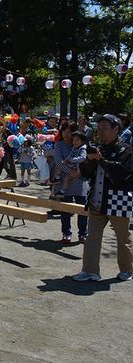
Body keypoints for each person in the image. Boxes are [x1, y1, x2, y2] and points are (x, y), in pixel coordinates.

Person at [72, 114, 133, 282]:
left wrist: (101, 160)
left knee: (123, 238)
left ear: (116, 129)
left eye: (105, 127)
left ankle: (127, 269)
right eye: (99, 128)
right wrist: (89, 161)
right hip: (96, 200)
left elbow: (122, 174)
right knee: (92, 237)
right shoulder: (98, 148)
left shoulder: (125, 149)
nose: (100, 131)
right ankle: (90, 270)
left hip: (117, 200)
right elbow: (86, 173)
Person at [52, 123, 88, 244]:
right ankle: (66, 232)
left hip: (80, 181)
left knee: (82, 209)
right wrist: (72, 173)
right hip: (65, 182)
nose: (67, 134)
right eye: (64, 131)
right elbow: (59, 162)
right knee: (65, 209)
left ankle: (83, 233)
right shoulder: (58, 145)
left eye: (69, 132)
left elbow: (85, 161)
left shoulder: (82, 146)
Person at [55, 131, 87, 198]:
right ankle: (57, 178)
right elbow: (70, 155)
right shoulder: (74, 148)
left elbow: (83, 158)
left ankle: (63, 190)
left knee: (67, 179)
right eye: (73, 140)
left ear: (83, 141)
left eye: (77, 140)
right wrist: (67, 159)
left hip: (78, 169)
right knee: (60, 165)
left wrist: (72, 159)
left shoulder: (83, 148)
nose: (74, 142)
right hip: (73, 166)